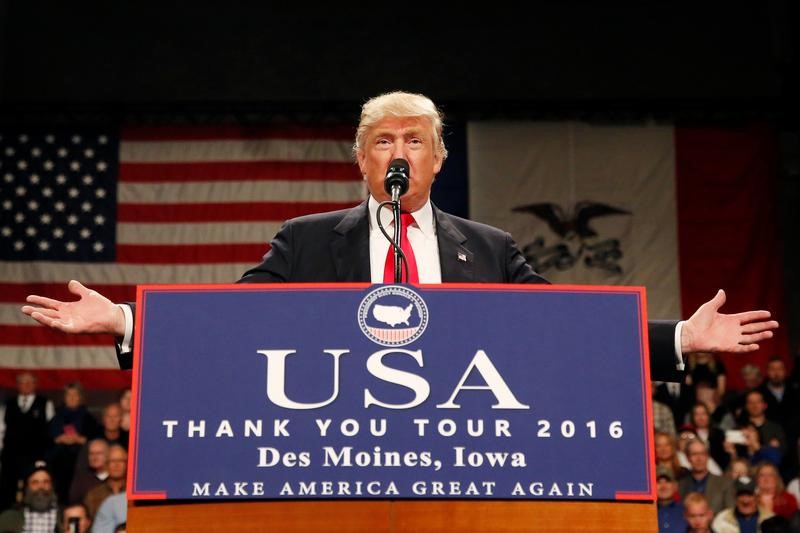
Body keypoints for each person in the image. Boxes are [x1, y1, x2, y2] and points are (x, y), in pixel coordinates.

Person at [19, 91, 778, 379]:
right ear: (360, 159)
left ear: (440, 159)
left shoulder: (488, 249)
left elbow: (566, 328)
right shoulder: (308, 242)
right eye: (383, 141)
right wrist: (123, 319)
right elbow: (232, 322)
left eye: (415, 141)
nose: (399, 153)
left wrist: (677, 336)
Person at [0, 372, 54, 510]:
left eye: (29, 382)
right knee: (8, 491)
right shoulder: (8, 405)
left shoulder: (45, 404)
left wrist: (44, 458)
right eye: (22, 382)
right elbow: (2, 431)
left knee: (34, 489)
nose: (26, 385)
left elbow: (51, 432)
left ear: (35, 384)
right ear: (17, 385)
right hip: (10, 457)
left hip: (35, 457)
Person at [0, 460, 59, 532]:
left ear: (52, 486)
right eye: (35, 482)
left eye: (46, 482)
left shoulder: (64, 517)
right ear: (27, 487)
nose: (41, 487)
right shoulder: (8, 518)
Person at [678, 438, 734, 514]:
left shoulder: (724, 484)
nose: (699, 458)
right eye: (694, 454)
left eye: (702, 454)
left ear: (707, 456)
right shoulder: (681, 485)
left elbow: (730, 514)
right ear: (688, 458)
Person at [656, 466, 687, 531]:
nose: (663, 486)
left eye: (667, 481)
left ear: (676, 486)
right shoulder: (647, 513)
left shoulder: (687, 510)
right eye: (658, 482)